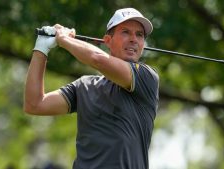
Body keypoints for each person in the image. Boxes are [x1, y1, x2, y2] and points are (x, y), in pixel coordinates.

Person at [24, 8, 159, 169]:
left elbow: (98, 59)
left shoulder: (146, 77)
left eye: (139, 35)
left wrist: (64, 40)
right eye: (125, 32)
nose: (133, 39)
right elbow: (34, 104)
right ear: (107, 41)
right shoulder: (84, 86)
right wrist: (41, 49)